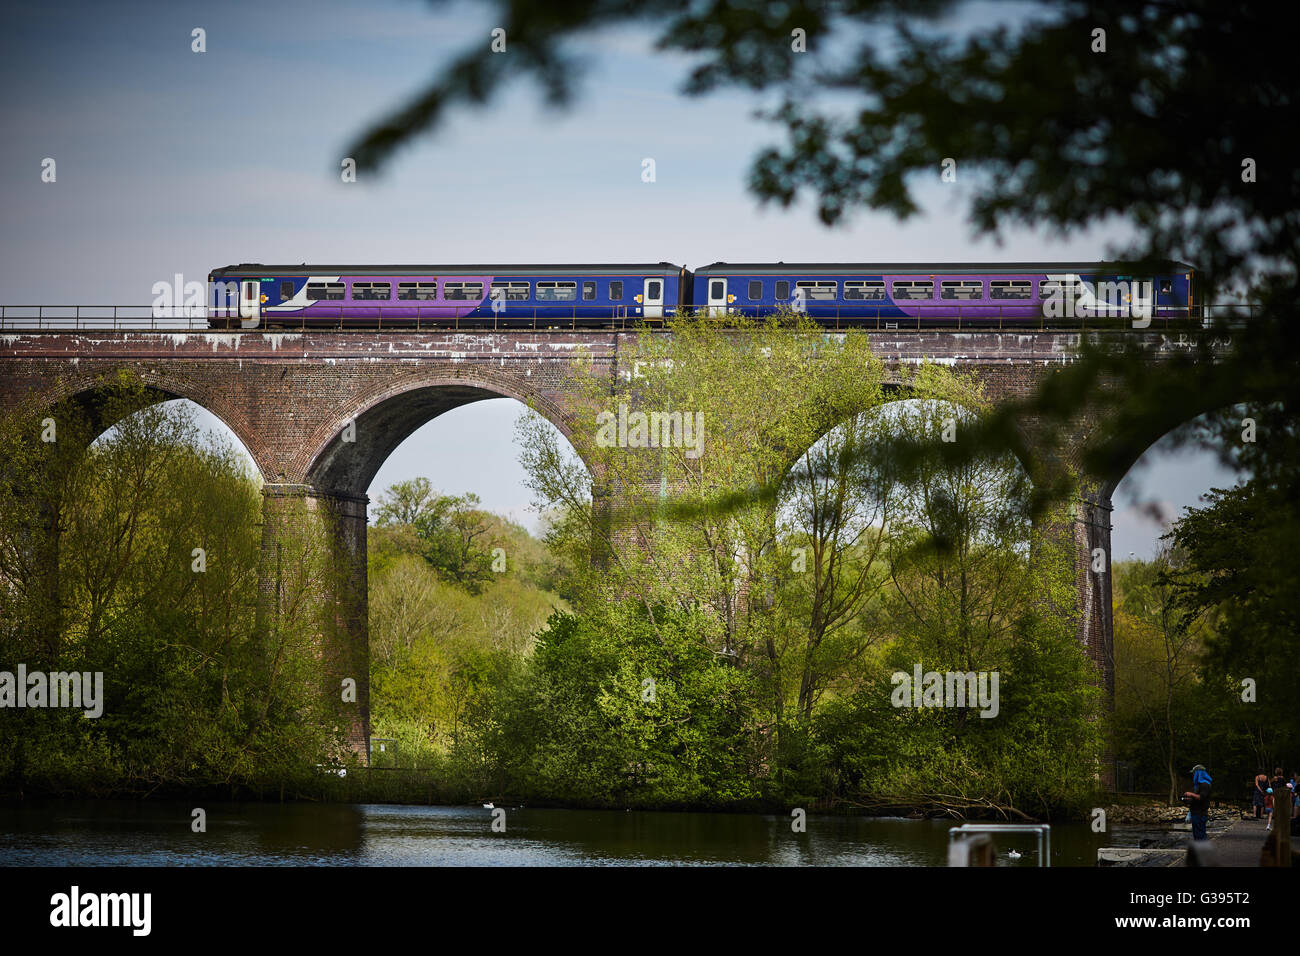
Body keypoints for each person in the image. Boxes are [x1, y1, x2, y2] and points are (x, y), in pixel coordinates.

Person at [1183, 764, 1213, 841]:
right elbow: (1197, 798)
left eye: (1194, 773)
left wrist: (1190, 794)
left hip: (1200, 813)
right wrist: (1188, 800)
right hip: (1196, 812)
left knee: (1200, 835)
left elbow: (1201, 797)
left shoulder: (1205, 785)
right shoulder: (1199, 785)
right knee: (1197, 835)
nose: (1193, 775)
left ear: (1198, 773)